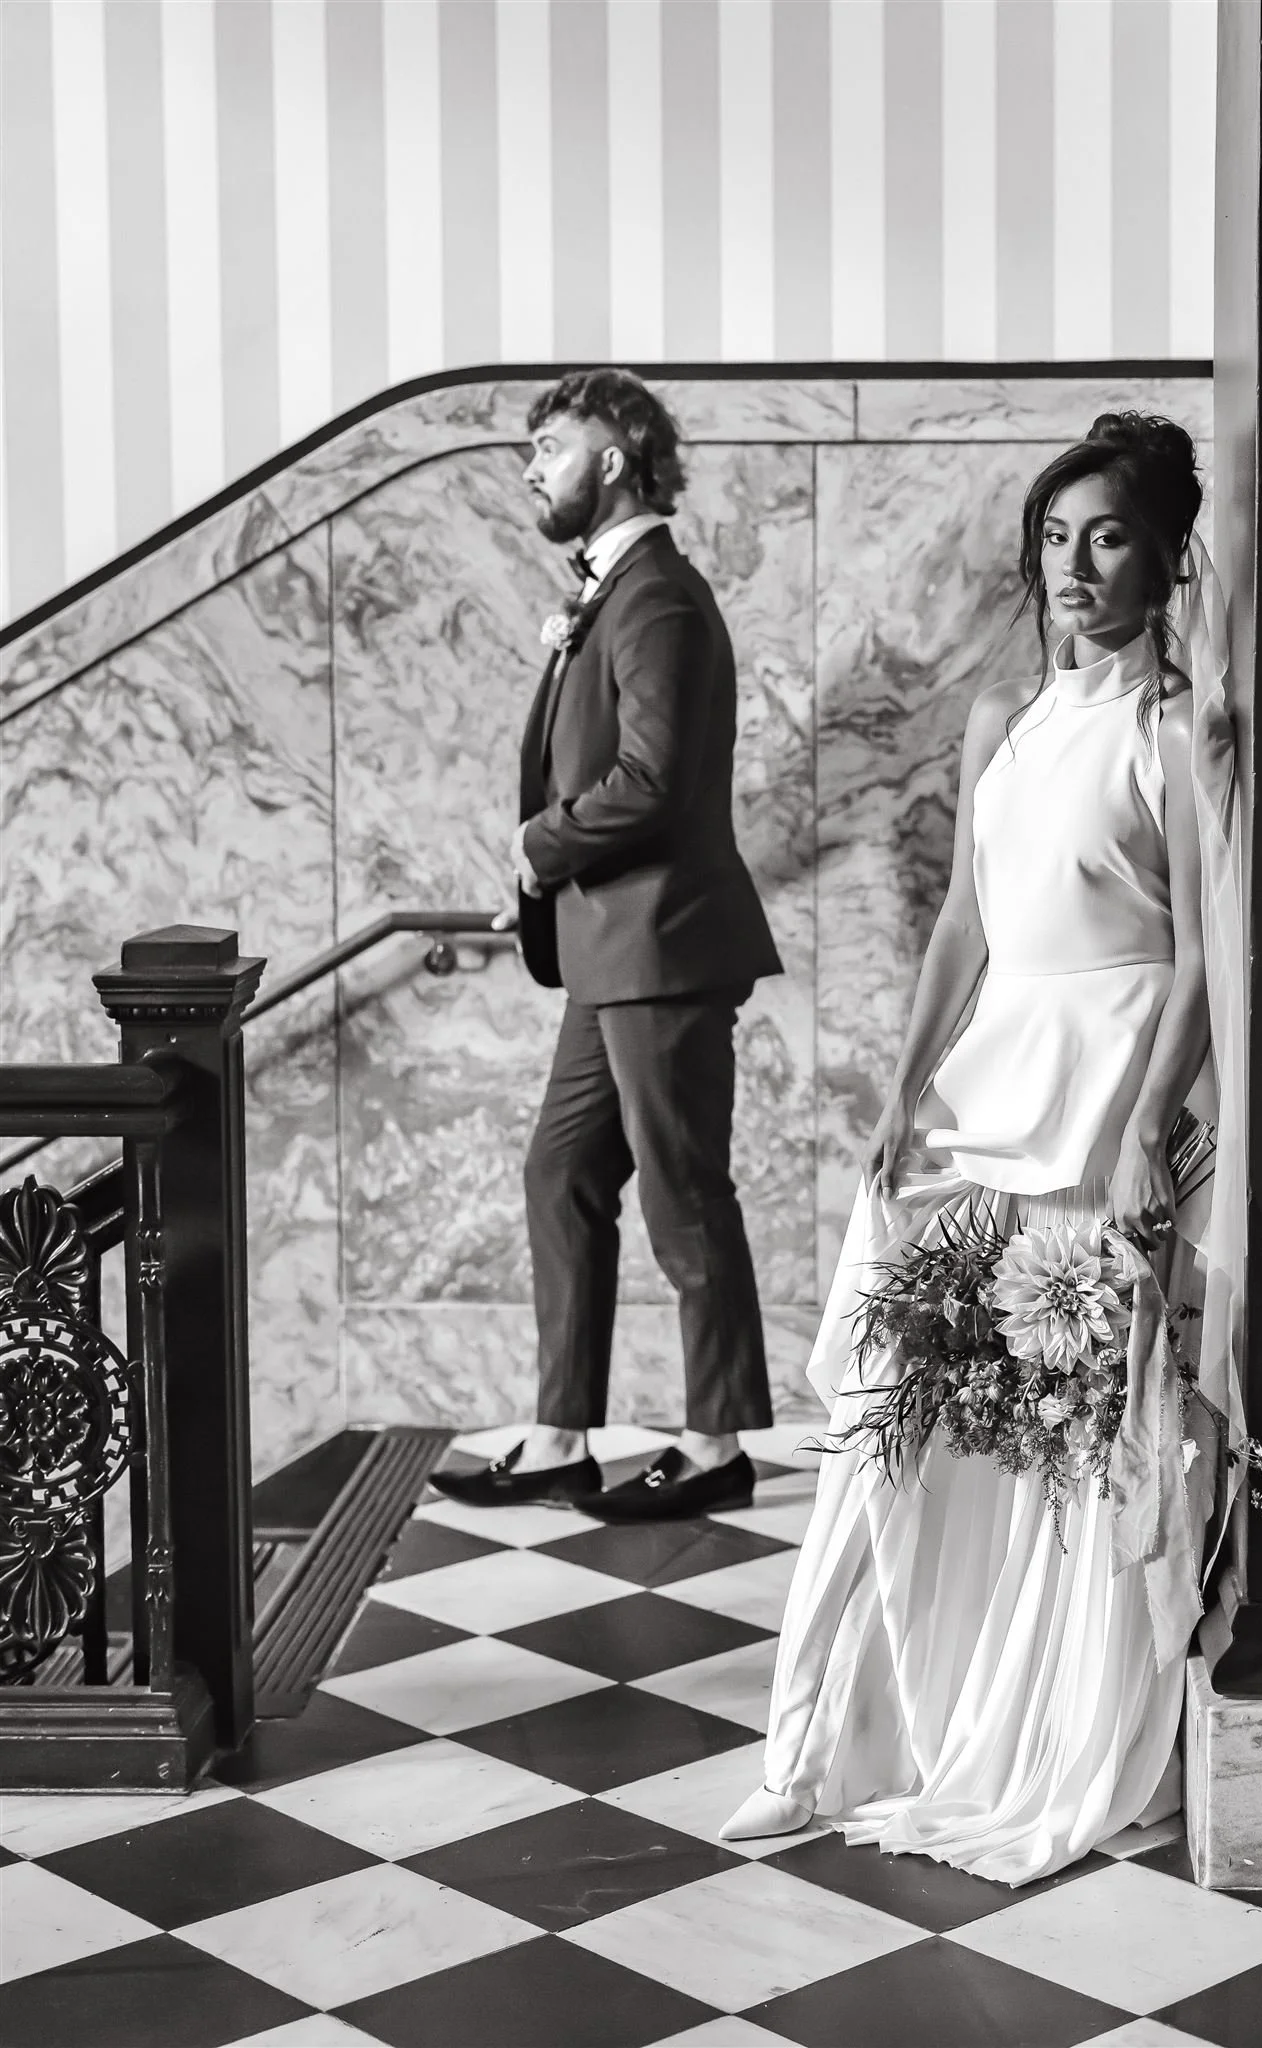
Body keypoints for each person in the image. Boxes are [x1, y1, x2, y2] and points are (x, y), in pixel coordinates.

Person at [721, 413, 1249, 1884]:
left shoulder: (1173, 729)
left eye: (1109, 536)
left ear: (1165, 556)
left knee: (1065, 1445)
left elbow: (1204, 957)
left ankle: (1030, 1738)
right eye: (1056, 535)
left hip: (1101, 1099)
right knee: (888, 1420)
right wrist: (903, 1087)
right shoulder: (998, 721)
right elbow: (965, 917)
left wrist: (1150, 1126)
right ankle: (821, 1749)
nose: (1074, 564)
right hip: (979, 1089)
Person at [431, 369, 782, 1525]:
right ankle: (557, 1436)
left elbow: (650, 782)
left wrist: (535, 848)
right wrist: (542, 883)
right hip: (611, 954)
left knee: (684, 1194)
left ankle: (717, 1438)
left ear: (617, 457)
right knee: (562, 1172)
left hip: (664, 954)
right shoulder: (615, 593)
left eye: (550, 444)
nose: (531, 466)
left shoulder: (656, 601)